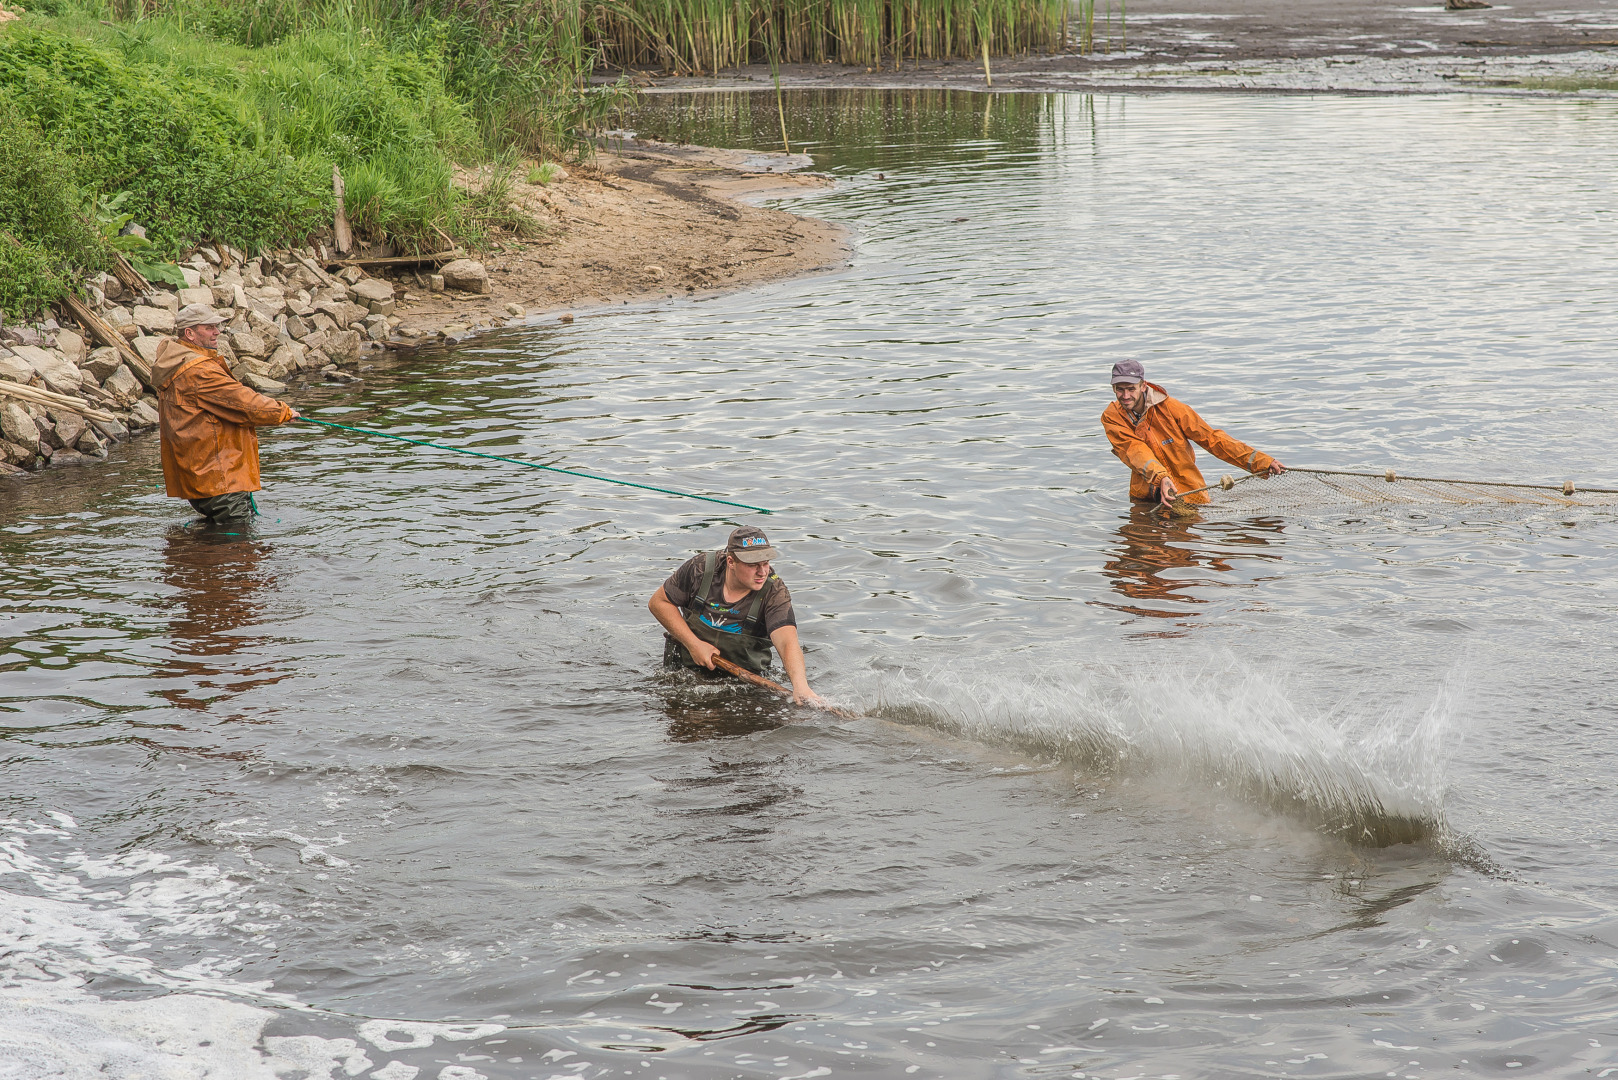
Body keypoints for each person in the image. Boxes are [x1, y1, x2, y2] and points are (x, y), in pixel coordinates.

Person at [153, 304, 300, 523]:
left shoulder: (176, 360)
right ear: (190, 333)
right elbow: (243, 403)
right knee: (236, 548)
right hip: (219, 480)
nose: (217, 332)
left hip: (198, 477)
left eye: (217, 326)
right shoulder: (198, 370)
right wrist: (282, 412)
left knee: (218, 544)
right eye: (210, 327)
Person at [649, 526, 824, 705]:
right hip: (683, 674)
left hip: (743, 687)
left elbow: (787, 641)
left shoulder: (774, 592)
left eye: (765, 563)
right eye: (752, 565)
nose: (762, 572)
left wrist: (800, 685)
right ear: (731, 562)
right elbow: (659, 602)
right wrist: (694, 645)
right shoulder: (700, 569)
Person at [1100, 359, 1284, 508]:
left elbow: (1212, 439)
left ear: (1142, 386)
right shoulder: (1112, 417)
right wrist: (1161, 478)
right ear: (1113, 389)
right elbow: (1134, 450)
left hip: (1188, 494)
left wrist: (1262, 462)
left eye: (1130, 389)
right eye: (1120, 389)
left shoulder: (1172, 408)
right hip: (1145, 497)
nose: (1125, 396)